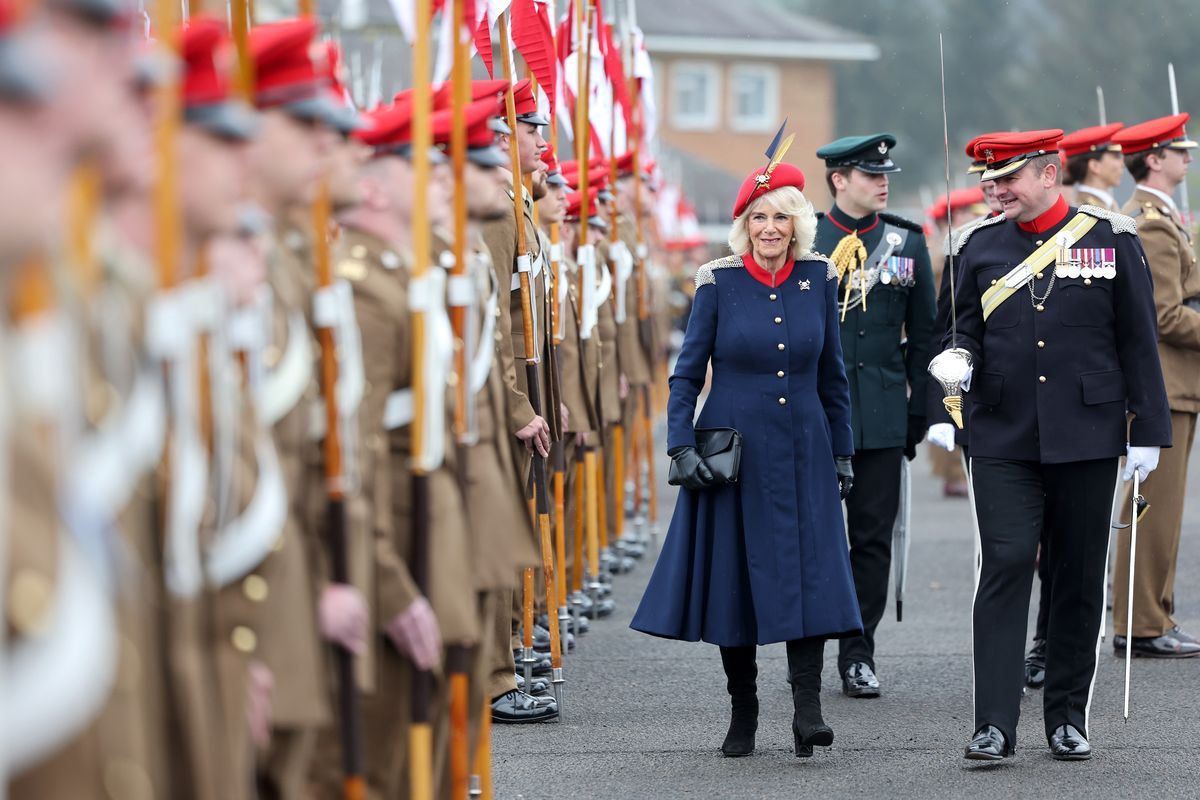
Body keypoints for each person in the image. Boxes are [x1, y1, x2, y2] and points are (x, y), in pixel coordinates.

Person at [941, 129, 1170, 762]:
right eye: (991, 179)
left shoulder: (1112, 239)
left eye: (1008, 178)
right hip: (1001, 432)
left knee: (1075, 573)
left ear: (1049, 173)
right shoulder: (973, 247)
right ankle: (993, 724)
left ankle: (1067, 717)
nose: (996, 189)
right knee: (1008, 561)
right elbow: (955, 333)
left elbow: (1138, 341)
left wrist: (1147, 430)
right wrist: (954, 366)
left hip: (1088, 433)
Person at [631, 157, 861, 760]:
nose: (769, 227)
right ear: (744, 225)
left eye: (781, 216)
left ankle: (808, 711)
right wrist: (680, 443)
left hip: (806, 448)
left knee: (808, 575)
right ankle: (744, 709)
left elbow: (833, 376)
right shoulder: (716, 282)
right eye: (759, 216)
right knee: (736, 581)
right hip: (734, 451)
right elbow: (686, 375)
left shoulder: (819, 277)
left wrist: (843, 451)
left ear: (797, 224)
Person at [812, 133, 936, 698]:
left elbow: (926, 338)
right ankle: (809, 647)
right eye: (870, 173)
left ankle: (858, 653)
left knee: (871, 540)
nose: (883, 181)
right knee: (814, 536)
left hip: (884, 413)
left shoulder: (907, 244)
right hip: (815, 415)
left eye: (886, 172)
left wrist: (920, 414)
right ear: (839, 179)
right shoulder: (807, 238)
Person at [1109, 114, 1200, 658]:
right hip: (1164, 385)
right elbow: (1165, 315)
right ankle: (1141, 623)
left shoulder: (1163, 217)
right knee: (1153, 507)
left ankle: (1154, 615)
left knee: (1162, 509)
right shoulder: (1152, 223)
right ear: (1154, 159)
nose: (1187, 159)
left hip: (1175, 384)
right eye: (1179, 152)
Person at [1060, 123, 1126, 211]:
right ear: (1094, 166)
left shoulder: (1105, 205)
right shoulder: (1087, 211)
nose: (1122, 164)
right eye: (1116, 157)